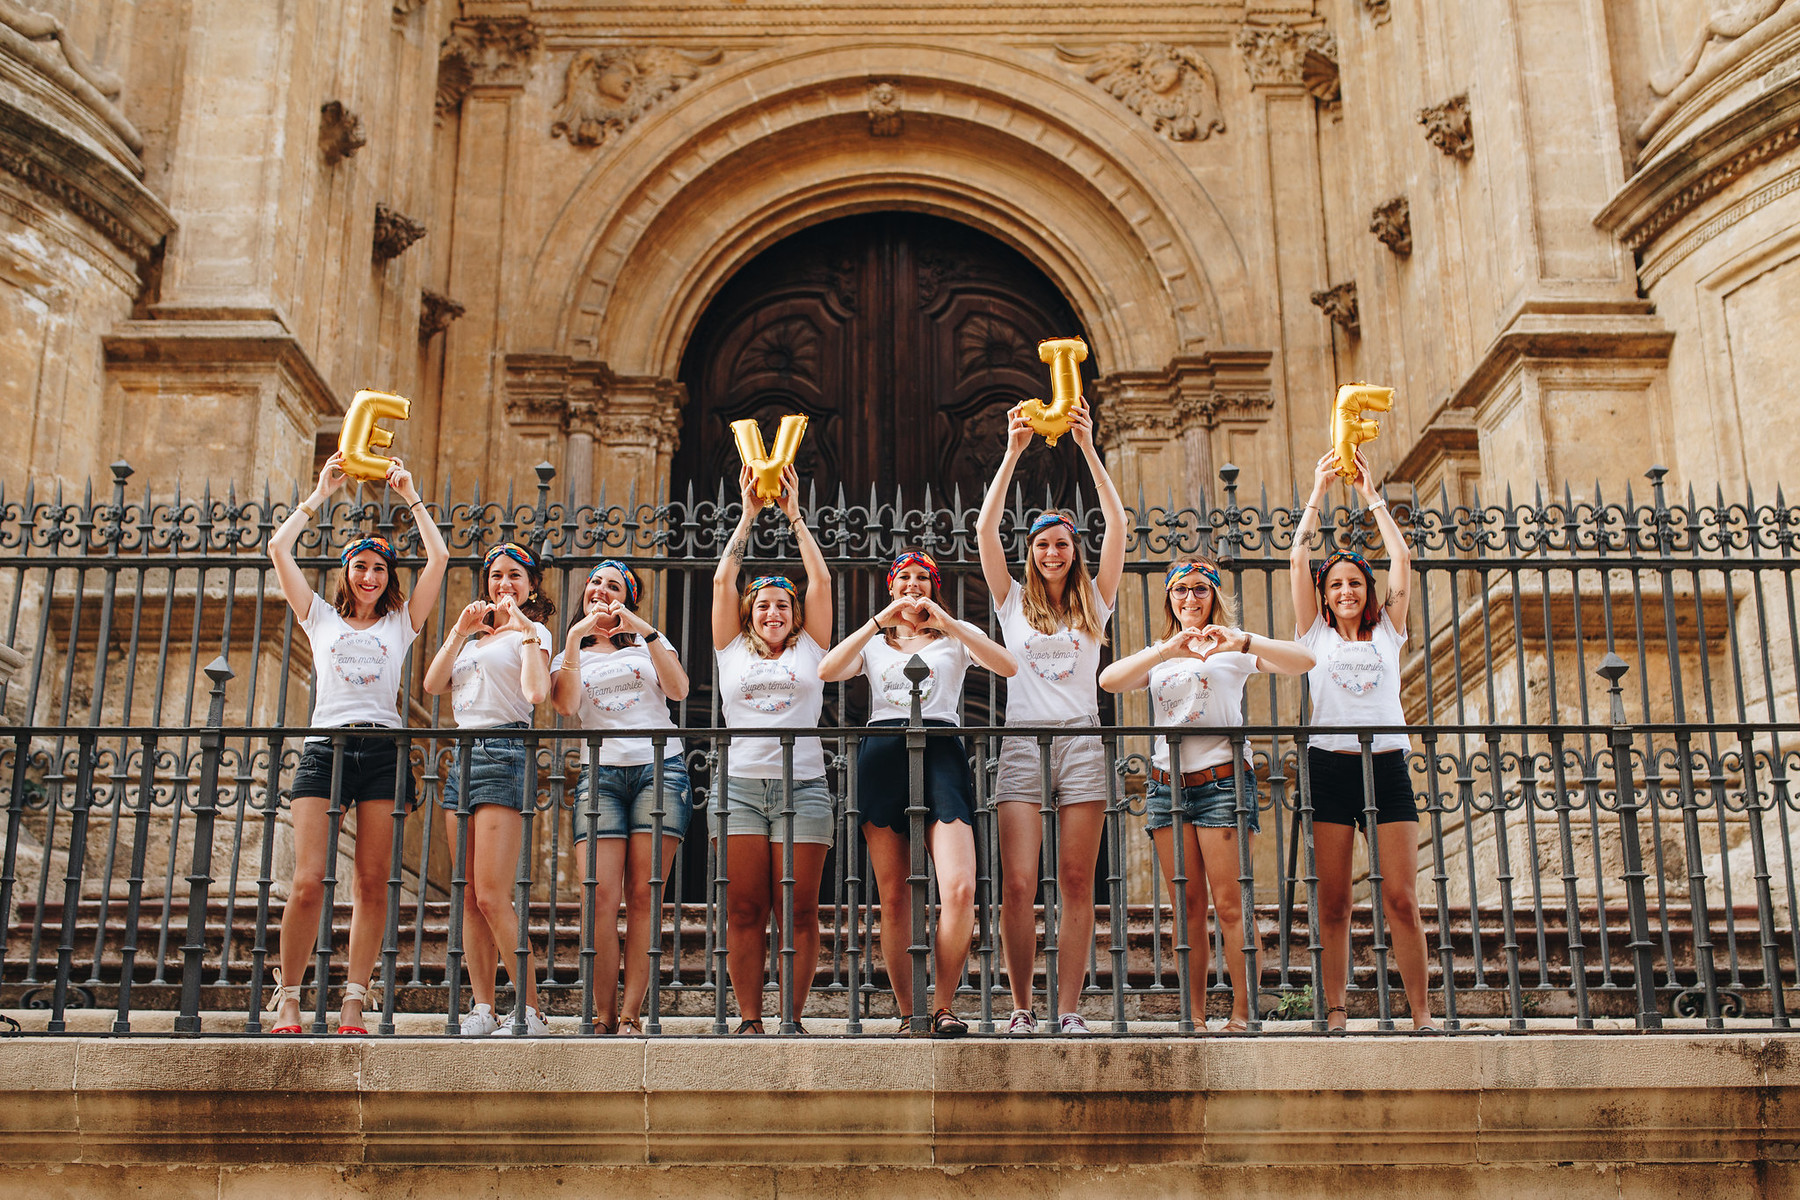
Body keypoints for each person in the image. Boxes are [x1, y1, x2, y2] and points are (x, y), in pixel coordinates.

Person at [265, 451, 449, 1035]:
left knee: (373, 882)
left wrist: (411, 494)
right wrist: (321, 493)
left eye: (379, 570)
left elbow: (440, 558)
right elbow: (278, 550)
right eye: (361, 567)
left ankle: (352, 998)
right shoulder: (318, 616)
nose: (370, 577)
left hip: (383, 754)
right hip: (327, 749)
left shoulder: (401, 624)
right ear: (347, 572)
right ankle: (288, 996)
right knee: (309, 879)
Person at [1099, 557, 1313, 1030]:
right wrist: (1163, 650)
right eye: (1180, 590)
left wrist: (1245, 639)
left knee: (1232, 905)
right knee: (1187, 908)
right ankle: (1192, 1015)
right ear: (1169, 599)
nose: (1190, 598)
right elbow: (1108, 680)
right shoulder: (1161, 654)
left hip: (1223, 786)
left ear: (1214, 595)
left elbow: (1304, 662)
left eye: (1200, 589)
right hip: (1165, 789)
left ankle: (1243, 1013)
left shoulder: (1232, 650)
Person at [818, 549, 1018, 1036]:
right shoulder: (875, 643)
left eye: (922, 579)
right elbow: (827, 670)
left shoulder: (953, 639)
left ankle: (944, 1004)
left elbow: (1007, 665)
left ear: (934, 587)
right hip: (883, 750)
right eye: (903, 578)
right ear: (890, 587)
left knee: (959, 887)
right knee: (896, 896)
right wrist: (874, 623)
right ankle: (910, 1013)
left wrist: (948, 622)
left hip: (942, 751)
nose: (912, 586)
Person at [975, 402, 1126, 1036]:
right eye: (1042, 545)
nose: (1053, 552)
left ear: (1073, 550)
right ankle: (1019, 1007)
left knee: (1074, 882)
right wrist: (1012, 452)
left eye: (1062, 543)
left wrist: (1089, 446)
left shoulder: (1095, 601)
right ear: (1031, 553)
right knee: (1017, 883)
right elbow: (984, 532)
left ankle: (1067, 1009)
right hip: (1021, 744)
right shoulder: (1010, 603)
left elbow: (1118, 525)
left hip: (1082, 744)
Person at [1289, 447, 1437, 1033]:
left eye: (1355, 583)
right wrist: (1319, 491)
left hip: (1387, 765)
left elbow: (1402, 558)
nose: (1346, 591)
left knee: (1401, 897)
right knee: (1334, 904)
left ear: (1367, 591)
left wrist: (1372, 493)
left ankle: (1422, 1014)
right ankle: (1336, 1013)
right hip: (1330, 767)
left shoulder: (1389, 631)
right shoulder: (1313, 635)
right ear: (1324, 595)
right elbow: (1298, 555)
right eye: (1336, 584)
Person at [710, 463, 834, 1034]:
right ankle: (752, 1018)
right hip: (739, 788)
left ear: (795, 615)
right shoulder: (730, 649)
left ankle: (793, 1017)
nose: (773, 612)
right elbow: (721, 582)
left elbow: (823, 582)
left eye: (783, 605)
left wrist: (794, 517)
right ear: (749, 614)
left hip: (804, 786)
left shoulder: (811, 648)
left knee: (800, 911)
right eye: (762, 605)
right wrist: (748, 515)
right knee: (744, 910)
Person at [552, 559, 692, 1036]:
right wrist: (574, 638)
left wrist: (642, 629)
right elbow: (566, 705)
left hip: (661, 768)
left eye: (613, 586)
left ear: (627, 598)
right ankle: (602, 1014)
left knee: (642, 895)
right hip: (601, 775)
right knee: (599, 898)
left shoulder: (649, 642)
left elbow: (679, 688)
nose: (601, 590)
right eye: (595, 583)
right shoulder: (569, 653)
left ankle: (631, 1014)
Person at [421, 542, 554, 1036]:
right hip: (463, 754)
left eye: (515, 575)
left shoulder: (533, 632)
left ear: (531, 584)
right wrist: (459, 631)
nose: (504, 583)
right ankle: (482, 1006)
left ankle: (532, 1009)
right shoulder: (473, 639)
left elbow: (537, 694)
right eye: (496, 575)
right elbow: (433, 685)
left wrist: (522, 631)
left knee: (495, 894)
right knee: (469, 894)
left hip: (504, 749)